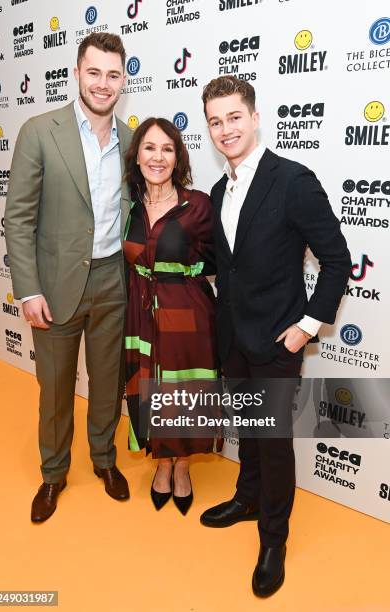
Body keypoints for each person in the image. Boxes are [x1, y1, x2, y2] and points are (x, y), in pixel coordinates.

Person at [199, 76, 351, 596]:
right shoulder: (220, 189)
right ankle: (246, 499)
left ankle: (274, 538)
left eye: (233, 117)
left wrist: (305, 328)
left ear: (255, 117)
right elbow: (227, 264)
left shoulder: (293, 179)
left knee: (274, 440)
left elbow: (337, 261)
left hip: (277, 341)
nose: (225, 129)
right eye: (215, 121)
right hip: (234, 338)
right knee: (248, 431)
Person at [5, 33, 133, 523]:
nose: (104, 83)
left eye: (113, 74)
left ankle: (104, 459)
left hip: (112, 282)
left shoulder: (129, 141)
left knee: (107, 383)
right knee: (54, 387)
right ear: (76, 73)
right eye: (94, 72)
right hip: (55, 285)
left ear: (124, 80)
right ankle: (53, 472)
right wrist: (29, 288)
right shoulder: (40, 130)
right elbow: (18, 218)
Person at [123, 117, 220, 515]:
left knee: (183, 392)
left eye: (167, 148)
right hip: (139, 311)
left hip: (185, 311)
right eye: (149, 147)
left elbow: (218, 259)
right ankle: (161, 462)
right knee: (149, 387)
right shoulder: (127, 203)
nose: (157, 156)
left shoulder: (196, 205)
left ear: (177, 156)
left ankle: (182, 466)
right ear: (137, 155)